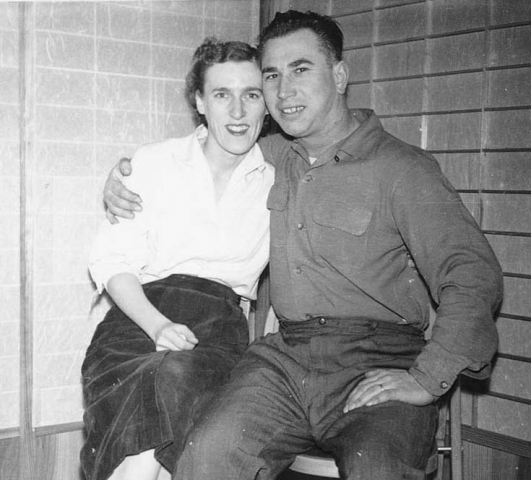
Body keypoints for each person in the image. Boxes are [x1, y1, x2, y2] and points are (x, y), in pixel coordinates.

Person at [103, 11, 503, 480]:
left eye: (301, 69)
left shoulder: (402, 169)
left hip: (379, 358)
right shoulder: (268, 155)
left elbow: (472, 273)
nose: (284, 90)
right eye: (271, 75)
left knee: (376, 468)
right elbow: (200, 151)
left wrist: (425, 376)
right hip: (284, 360)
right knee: (206, 454)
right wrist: (125, 176)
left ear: (339, 75)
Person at [81, 38, 274, 480]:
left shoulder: (279, 178)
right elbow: (111, 260)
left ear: (266, 104)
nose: (238, 111)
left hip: (217, 327)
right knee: (150, 395)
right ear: (200, 101)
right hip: (136, 320)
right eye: (222, 95)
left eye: (251, 94)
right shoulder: (153, 162)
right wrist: (157, 325)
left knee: (176, 381)